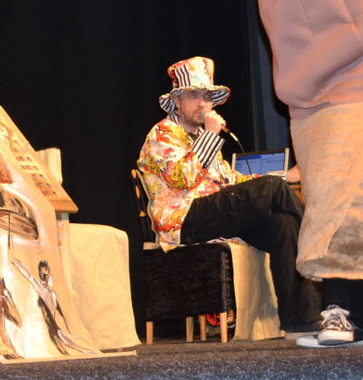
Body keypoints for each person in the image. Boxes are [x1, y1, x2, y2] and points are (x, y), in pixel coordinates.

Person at [136, 56, 323, 338]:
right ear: (176, 101)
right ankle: (317, 254)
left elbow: (232, 181)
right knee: (273, 189)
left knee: (282, 224)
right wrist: (211, 137)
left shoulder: (203, 137)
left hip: (215, 217)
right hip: (183, 220)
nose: (202, 103)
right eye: (194, 95)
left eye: (207, 97)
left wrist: (286, 177)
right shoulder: (162, 134)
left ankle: (301, 323)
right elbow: (182, 178)